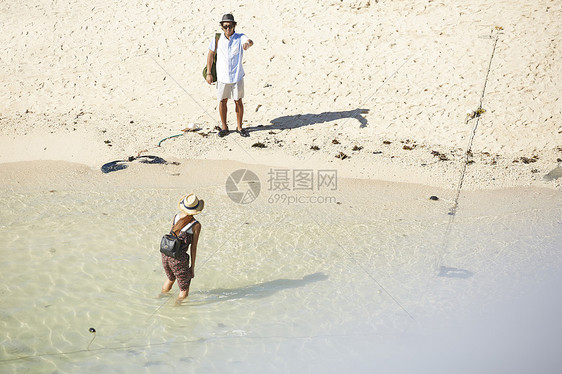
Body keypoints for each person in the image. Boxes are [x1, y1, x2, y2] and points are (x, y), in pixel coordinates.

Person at [206, 13, 254, 138]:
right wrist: (209, 73)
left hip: (237, 75)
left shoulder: (240, 37)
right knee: (222, 101)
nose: (228, 29)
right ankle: (224, 127)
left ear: (234, 26)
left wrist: (248, 43)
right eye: (226, 26)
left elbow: (249, 41)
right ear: (222, 27)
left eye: (230, 26)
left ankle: (239, 127)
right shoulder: (217, 38)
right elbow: (210, 55)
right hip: (222, 76)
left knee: (238, 101)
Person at [160, 193, 204, 303]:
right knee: (184, 289)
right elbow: (193, 248)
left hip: (166, 254)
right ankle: (176, 310)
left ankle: (159, 298)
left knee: (170, 278)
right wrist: (192, 267)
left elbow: (172, 236)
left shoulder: (176, 217)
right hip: (179, 259)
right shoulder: (195, 225)